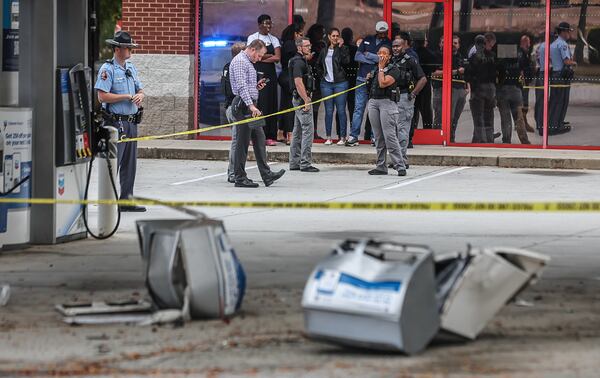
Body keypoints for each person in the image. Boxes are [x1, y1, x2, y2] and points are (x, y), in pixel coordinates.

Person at [95, 31, 146, 212]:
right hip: (116, 123)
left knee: (130, 164)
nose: (131, 50)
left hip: (131, 122)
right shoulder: (107, 69)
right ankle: (108, 202)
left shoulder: (131, 67)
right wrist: (124, 96)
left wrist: (140, 95)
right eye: (128, 47)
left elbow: (140, 89)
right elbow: (102, 96)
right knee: (113, 163)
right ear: (117, 49)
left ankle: (126, 200)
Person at [228, 39, 286, 188]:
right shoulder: (241, 61)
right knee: (242, 143)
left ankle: (267, 175)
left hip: (249, 104)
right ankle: (240, 177)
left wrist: (256, 87)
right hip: (244, 106)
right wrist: (251, 106)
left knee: (260, 139)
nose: (259, 59)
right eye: (259, 56)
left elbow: (246, 86)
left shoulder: (248, 62)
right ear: (253, 50)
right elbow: (241, 87)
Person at [346, 21, 391, 147]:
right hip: (361, 79)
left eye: (384, 33)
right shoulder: (367, 39)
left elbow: (384, 60)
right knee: (358, 109)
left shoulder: (388, 43)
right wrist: (375, 59)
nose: (382, 35)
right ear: (376, 31)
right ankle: (353, 136)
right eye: (380, 32)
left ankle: (374, 138)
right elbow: (357, 56)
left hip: (376, 80)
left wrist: (368, 55)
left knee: (374, 110)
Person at [366, 45, 408, 176]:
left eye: (385, 54)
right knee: (378, 137)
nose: (381, 56)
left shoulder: (394, 70)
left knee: (390, 136)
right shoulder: (375, 69)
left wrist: (380, 68)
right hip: (373, 102)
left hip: (387, 104)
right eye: (379, 53)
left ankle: (400, 165)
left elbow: (383, 83)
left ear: (389, 57)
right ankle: (381, 166)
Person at [391, 38, 427, 168]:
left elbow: (423, 79)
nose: (395, 48)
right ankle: (396, 160)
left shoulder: (410, 60)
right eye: (393, 46)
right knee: (393, 130)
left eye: (398, 46)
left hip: (405, 97)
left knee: (402, 130)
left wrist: (413, 93)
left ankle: (402, 160)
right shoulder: (391, 60)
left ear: (404, 46)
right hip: (391, 98)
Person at [247, 15, 281, 146]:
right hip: (256, 74)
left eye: (270, 24)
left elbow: (277, 57)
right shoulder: (252, 37)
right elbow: (252, 56)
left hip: (269, 76)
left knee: (270, 103)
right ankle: (254, 135)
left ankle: (269, 135)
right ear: (259, 24)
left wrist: (261, 57)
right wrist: (268, 56)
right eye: (266, 24)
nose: (269, 26)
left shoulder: (274, 39)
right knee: (258, 103)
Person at [289, 37, 320, 172]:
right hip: (302, 99)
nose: (309, 48)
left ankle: (294, 162)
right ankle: (305, 163)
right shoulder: (298, 62)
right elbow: (298, 82)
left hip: (299, 99)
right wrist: (306, 99)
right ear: (299, 48)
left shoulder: (299, 61)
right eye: (306, 46)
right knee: (308, 131)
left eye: (309, 45)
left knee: (297, 131)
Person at [430, 35, 468, 142]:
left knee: (455, 118)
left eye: (455, 43)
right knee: (441, 117)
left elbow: (466, 73)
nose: (452, 45)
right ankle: (436, 139)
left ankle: (451, 139)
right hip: (442, 88)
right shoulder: (437, 56)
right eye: (447, 43)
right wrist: (455, 71)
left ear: (459, 45)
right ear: (440, 44)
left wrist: (467, 87)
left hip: (460, 89)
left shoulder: (461, 57)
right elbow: (433, 73)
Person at [316, 27, 351, 145]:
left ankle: (342, 137)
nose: (335, 38)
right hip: (326, 83)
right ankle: (329, 137)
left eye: (337, 36)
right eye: (333, 36)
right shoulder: (324, 50)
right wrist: (322, 75)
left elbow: (346, 62)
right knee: (329, 111)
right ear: (329, 37)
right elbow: (318, 65)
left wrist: (340, 48)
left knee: (341, 110)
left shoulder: (343, 48)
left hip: (340, 83)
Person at [466, 33, 499, 143]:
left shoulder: (474, 56)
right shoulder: (491, 55)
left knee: (479, 117)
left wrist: (472, 83)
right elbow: (499, 71)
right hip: (489, 89)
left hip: (479, 89)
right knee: (488, 116)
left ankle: (481, 140)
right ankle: (487, 139)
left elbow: (468, 74)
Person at [496, 40, 530, 144]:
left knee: (505, 118)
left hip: (503, 91)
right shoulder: (517, 64)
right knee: (519, 118)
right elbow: (524, 73)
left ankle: (506, 140)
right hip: (516, 91)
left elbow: (497, 76)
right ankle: (524, 140)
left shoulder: (501, 64)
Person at [223, 42, 248, 183]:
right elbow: (235, 91)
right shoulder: (235, 68)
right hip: (235, 108)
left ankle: (235, 171)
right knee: (236, 142)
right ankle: (233, 172)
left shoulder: (228, 67)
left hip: (232, 107)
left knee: (239, 141)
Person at [548, 22, 576, 135]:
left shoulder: (553, 44)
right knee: (561, 101)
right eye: (568, 31)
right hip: (561, 76)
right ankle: (556, 126)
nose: (569, 33)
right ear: (563, 32)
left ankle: (555, 122)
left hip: (555, 74)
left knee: (555, 100)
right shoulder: (562, 44)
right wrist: (575, 63)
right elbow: (566, 61)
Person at [278, 23, 303, 145]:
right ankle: (290, 134)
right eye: (298, 33)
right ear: (294, 33)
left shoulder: (285, 45)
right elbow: (297, 57)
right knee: (290, 106)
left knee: (284, 104)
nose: (300, 36)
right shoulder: (290, 45)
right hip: (289, 77)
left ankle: (280, 131)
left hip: (284, 76)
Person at [410, 32, 435, 141]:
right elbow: (434, 68)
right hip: (425, 85)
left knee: (412, 110)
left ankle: (412, 131)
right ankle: (428, 131)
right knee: (426, 111)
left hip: (412, 84)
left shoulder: (411, 53)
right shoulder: (429, 53)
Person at [336, 27, 358, 138]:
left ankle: (340, 134)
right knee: (352, 107)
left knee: (340, 108)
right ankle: (353, 134)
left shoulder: (339, 49)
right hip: (352, 79)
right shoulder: (354, 49)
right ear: (351, 37)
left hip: (342, 79)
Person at [306, 23, 327, 139]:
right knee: (305, 106)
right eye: (321, 32)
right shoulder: (308, 44)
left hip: (319, 80)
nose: (322, 35)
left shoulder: (323, 45)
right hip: (308, 79)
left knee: (315, 107)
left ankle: (314, 132)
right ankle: (307, 132)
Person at [519, 34, 535, 133]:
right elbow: (520, 69)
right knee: (523, 104)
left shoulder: (526, 53)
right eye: (528, 42)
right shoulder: (521, 53)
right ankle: (523, 124)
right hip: (523, 83)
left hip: (526, 82)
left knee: (524, 103)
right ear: (524, 42)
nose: (529, 44)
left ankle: (522, 123)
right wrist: (523, 82)